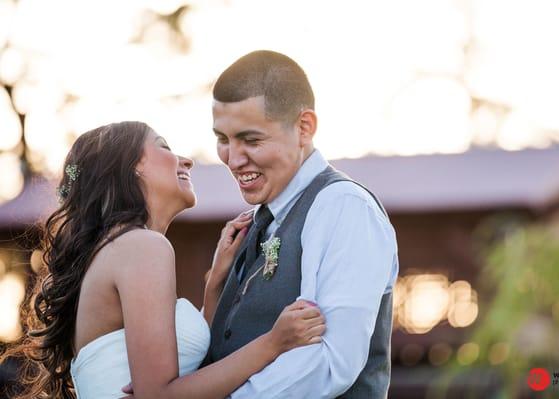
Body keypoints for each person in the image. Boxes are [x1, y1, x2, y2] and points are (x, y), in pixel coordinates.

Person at [0, 121, 325, 399]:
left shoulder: (121, 248)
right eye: (164, 147)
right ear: (132, 166)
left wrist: (215, 283)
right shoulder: (141, 246)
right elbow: (159, 395)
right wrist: (274, 342)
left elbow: (177, 371)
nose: (186, 161)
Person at [203, 50, 399, 398]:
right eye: (222, 139)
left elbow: (329, 361)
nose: (233, 159)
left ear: (304, 127)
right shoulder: (257, 222)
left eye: (251, 140)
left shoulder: (343, 207)